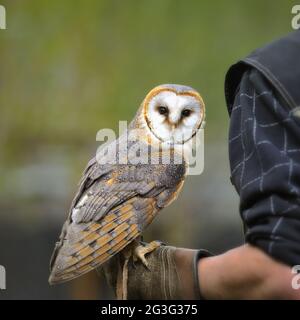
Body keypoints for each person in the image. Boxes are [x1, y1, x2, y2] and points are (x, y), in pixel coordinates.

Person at [102, 31, 300, 299]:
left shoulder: (275, 74)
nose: (173, 123)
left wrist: (173, 276)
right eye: (162, 112)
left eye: (185, 115)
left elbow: (276, 273)